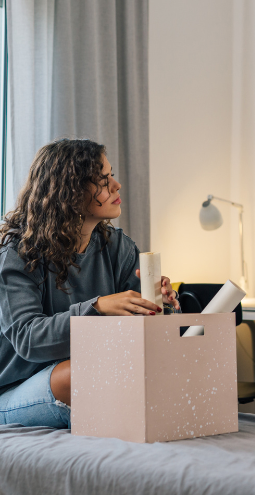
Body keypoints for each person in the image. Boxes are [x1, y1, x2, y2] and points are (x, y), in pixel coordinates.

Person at [0, 138, 180, 428]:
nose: (116, 185)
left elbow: (149, 337)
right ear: (68, 190)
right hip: (16, 389)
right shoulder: (16, 255)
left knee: (143, 369)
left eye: (111, 175)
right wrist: (97, 308)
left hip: (97, 371)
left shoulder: (118, 247)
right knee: (82, 373)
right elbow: (27, 338)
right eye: (103, 179)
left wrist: (162, 305)